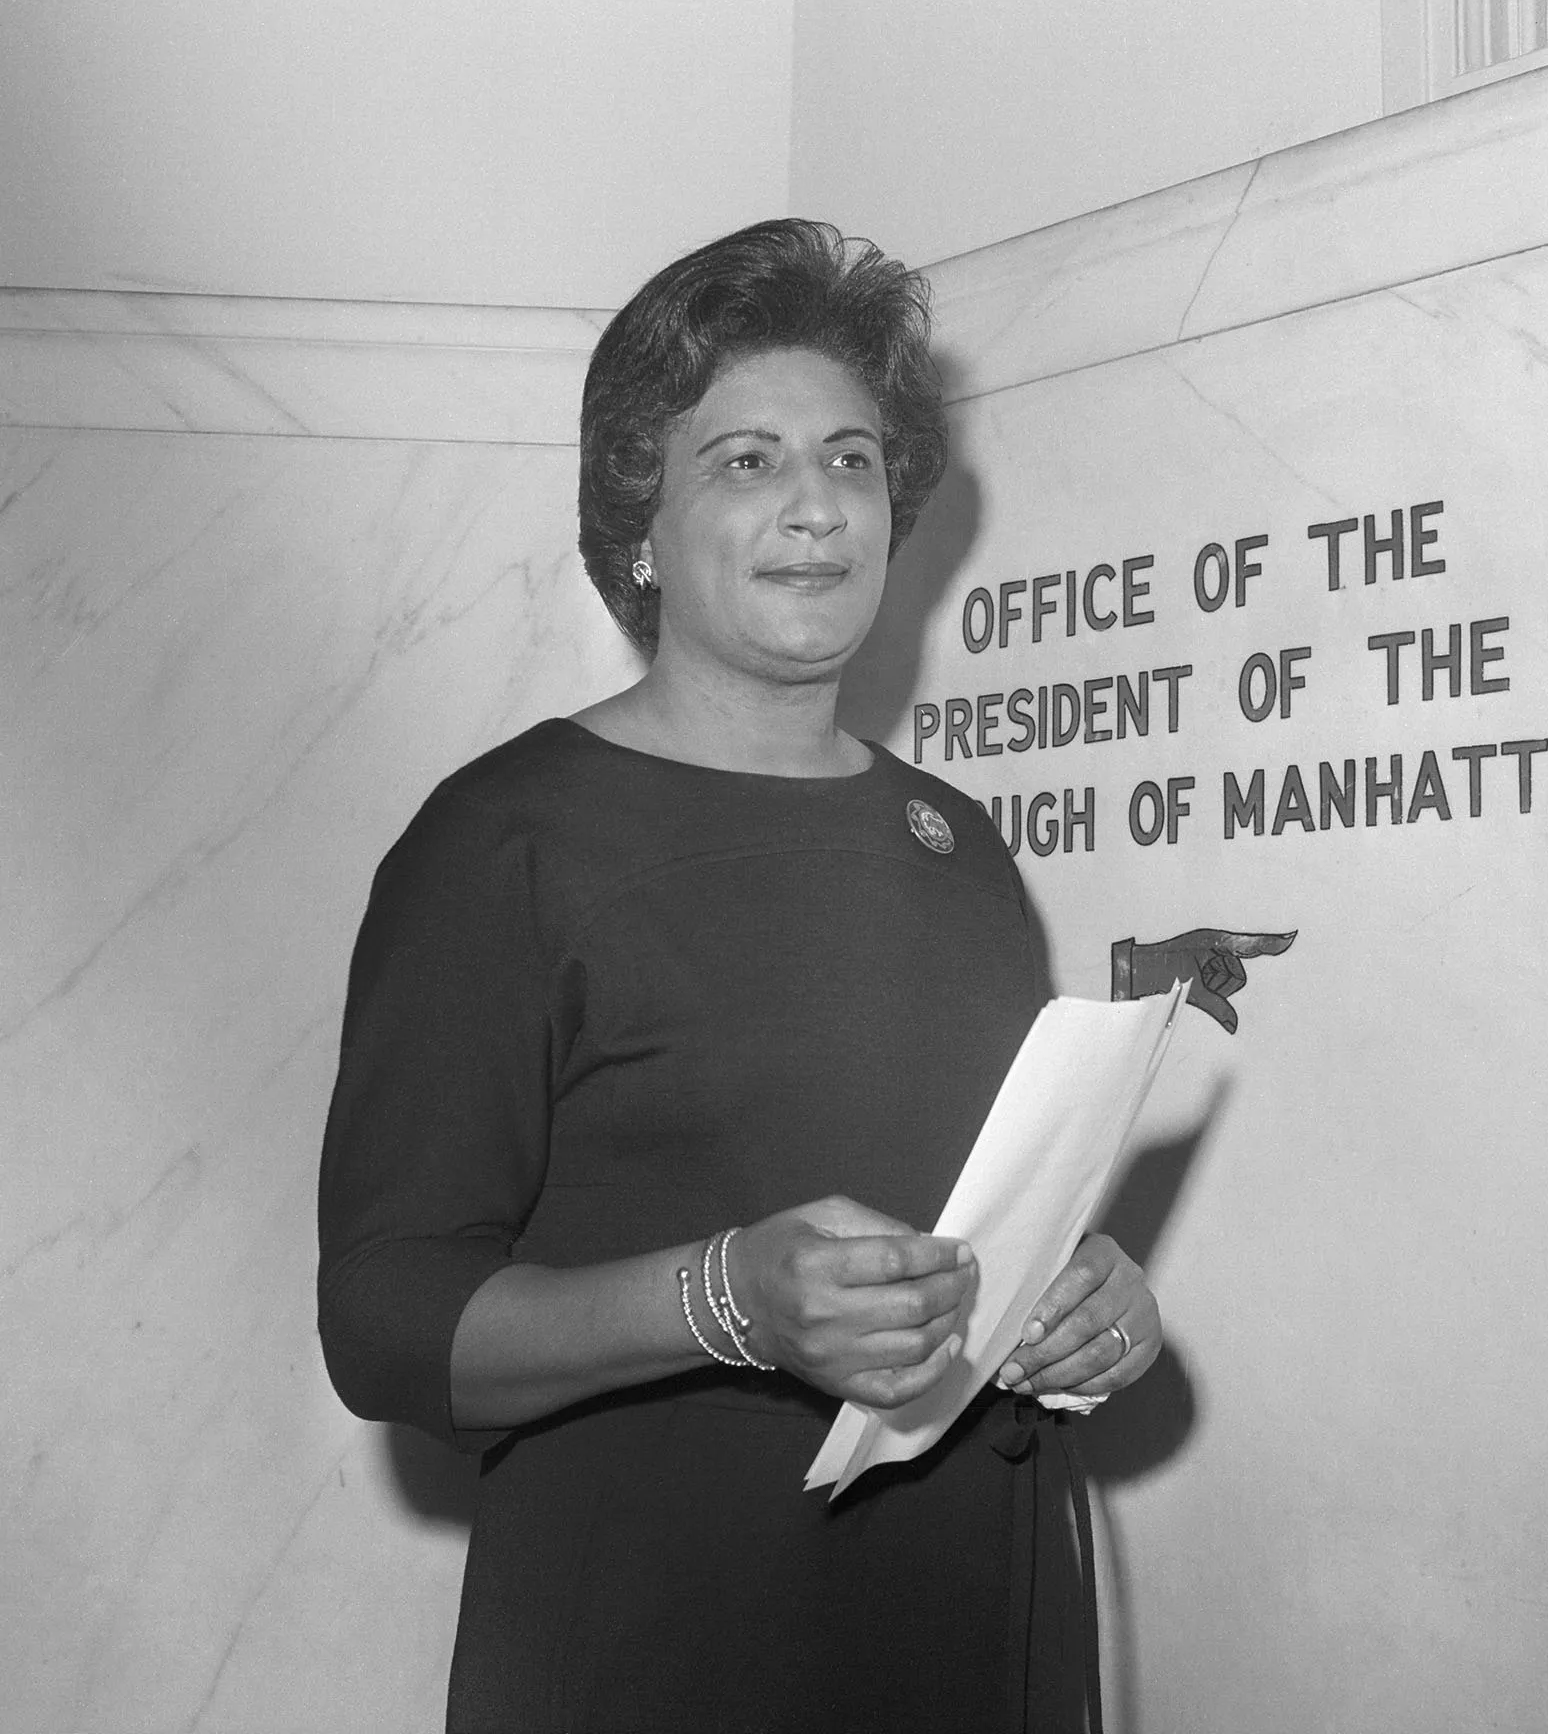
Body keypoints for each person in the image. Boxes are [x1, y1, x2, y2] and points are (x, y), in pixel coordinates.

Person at [317, 218, 1163, 1734]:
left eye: (851, 460)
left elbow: (977, 1224)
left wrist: (1074, 1299)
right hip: (666, 1642)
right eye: (748, 462)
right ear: (639, 524)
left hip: (970, 1623)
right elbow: (385, 1321)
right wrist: (727, 1300)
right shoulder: (504, 840)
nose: (819, 510)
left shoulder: (957, 848)